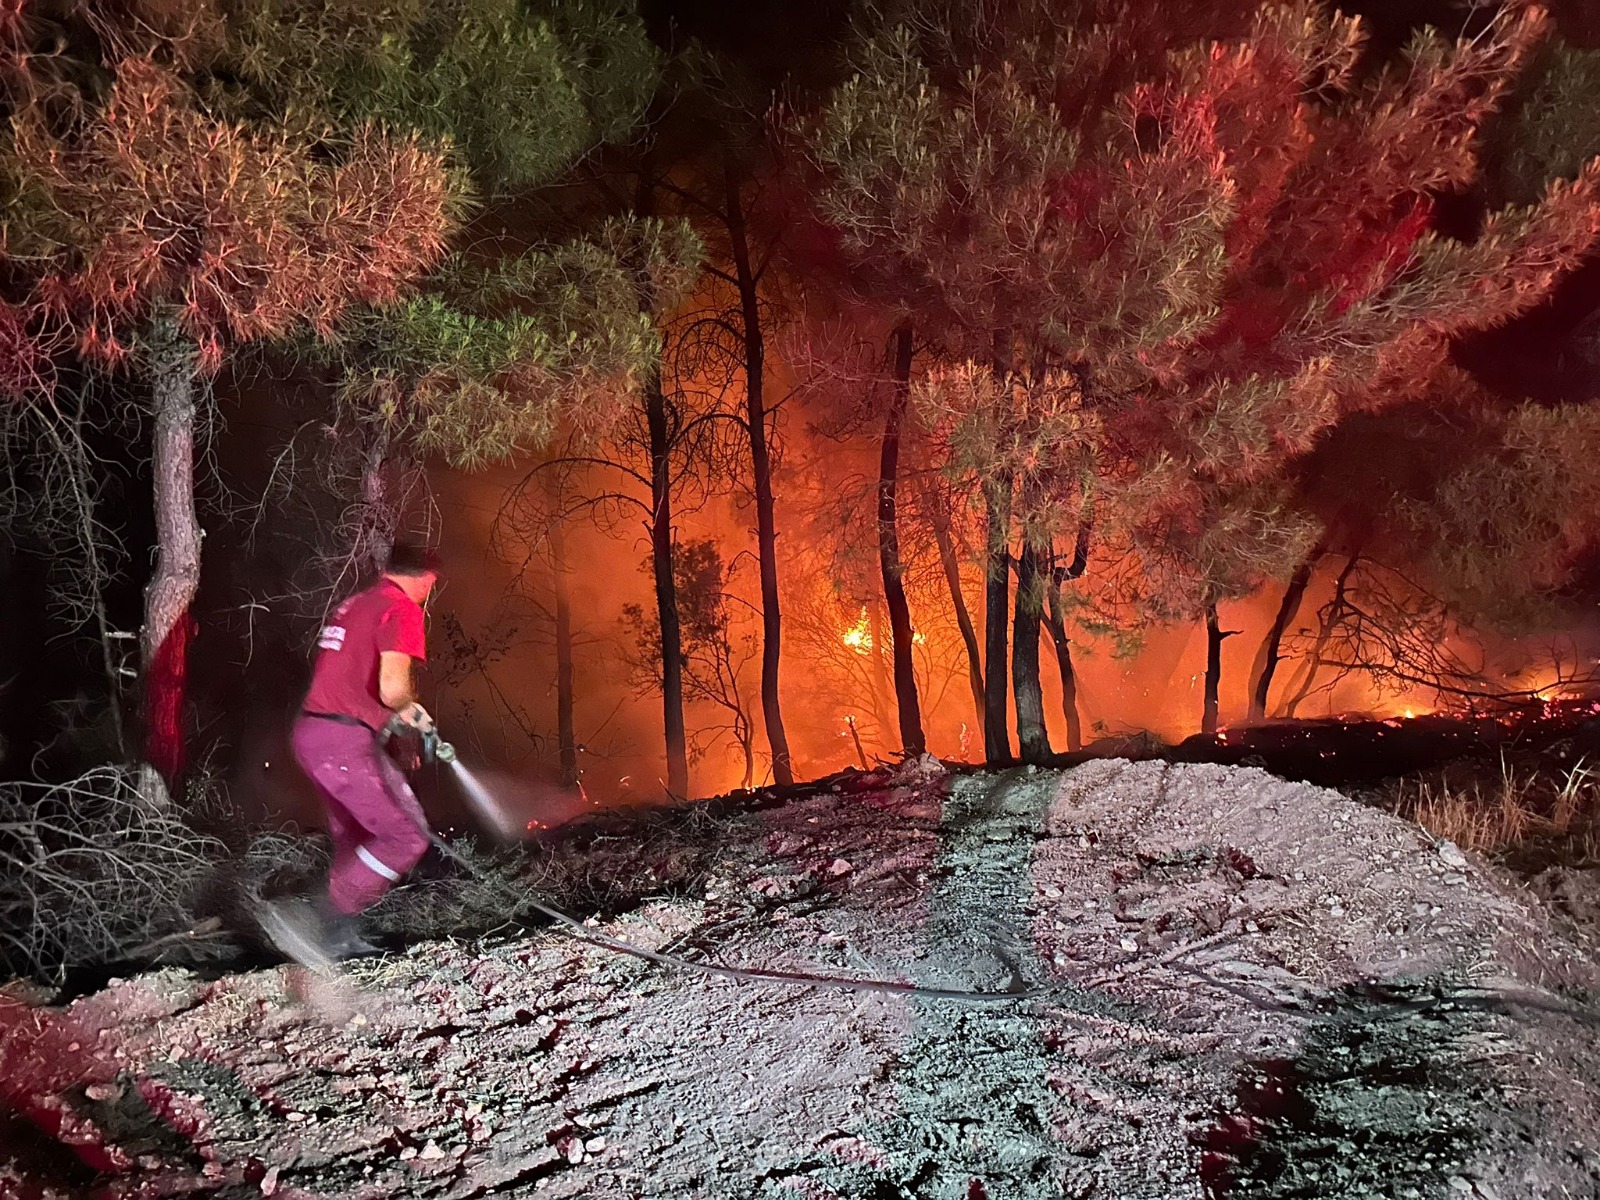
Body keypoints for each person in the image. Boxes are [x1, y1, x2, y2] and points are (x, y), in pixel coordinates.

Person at [275, 541, 441, 959]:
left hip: (318, 734)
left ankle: (339, 937)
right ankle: (321, 921)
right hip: (341, 741)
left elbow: (348, 679)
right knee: (406, 836)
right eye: (431, 583)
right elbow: (392, 687)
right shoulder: (401, 609)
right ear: (425, 578)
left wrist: (394, 728)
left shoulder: (357, 604)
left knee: (357, 837)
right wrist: (408, 710)